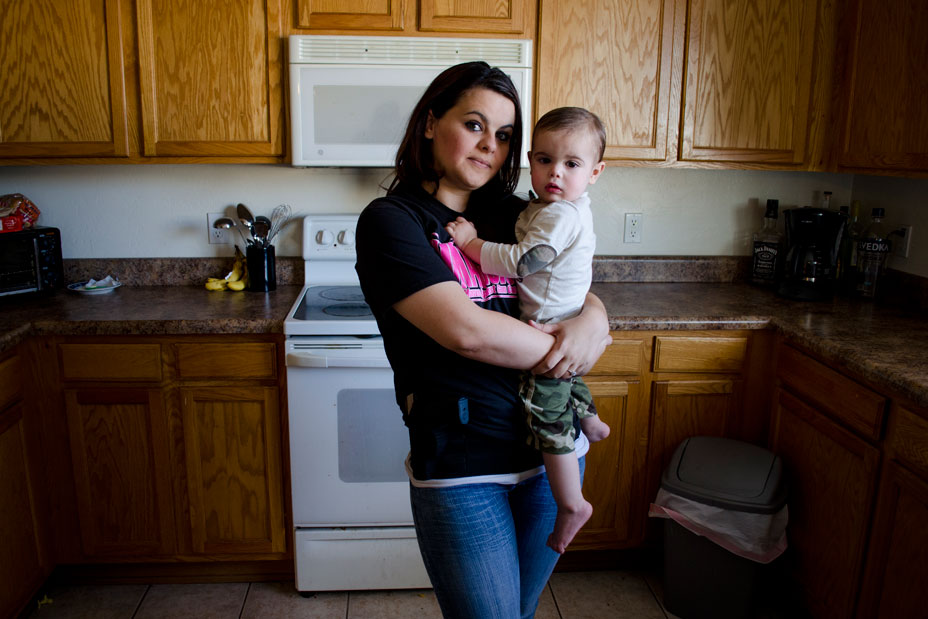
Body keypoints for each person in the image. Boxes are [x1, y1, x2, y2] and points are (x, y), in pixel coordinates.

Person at [354, 62, 611, 619]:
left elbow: (572, 286)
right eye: (474, 124)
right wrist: (570, 351)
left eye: (505, 134)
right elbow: (467, 332)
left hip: (552, 460)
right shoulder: (393, 221)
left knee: (519, 612)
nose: (490, 145)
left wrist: (596, 319)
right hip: (465, 469)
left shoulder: (520, 213)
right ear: (430, 123)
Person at [444, 106, 610, 555]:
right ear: (530, 160)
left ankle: (572, 504)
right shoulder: (554, 207)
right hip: (560, 314)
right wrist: (592, 318)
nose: (555, 172)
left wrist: (470, 244)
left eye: (571, 164)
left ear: (594, 172)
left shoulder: (558, 214)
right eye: (544, 159)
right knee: (564, 378)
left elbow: (525, 261)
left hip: (548, 323)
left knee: (548, 412)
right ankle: (591, 420)